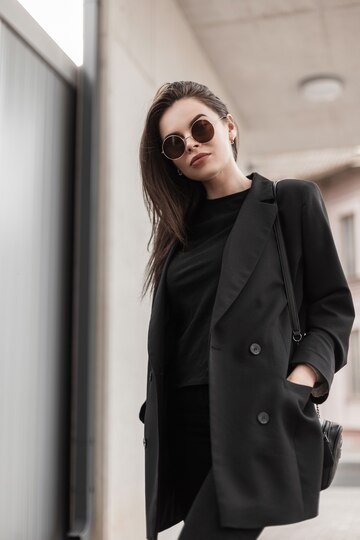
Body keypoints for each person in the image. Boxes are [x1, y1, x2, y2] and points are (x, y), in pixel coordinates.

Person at [138, 81, 355, 540]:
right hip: (184, 421)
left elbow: (333, 308)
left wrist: (301, 381)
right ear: (172, 161)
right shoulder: (178, 235)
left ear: (229, 126)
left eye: (201, 128)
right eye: (176, 143)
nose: (192, 144)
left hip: (257, 414)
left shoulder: (290, 202)